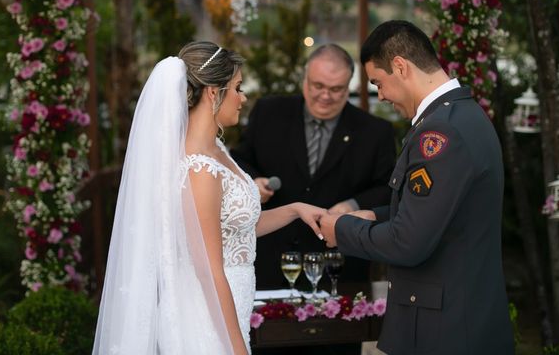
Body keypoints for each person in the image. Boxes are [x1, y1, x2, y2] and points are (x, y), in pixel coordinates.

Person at [93, 41, 326, 355]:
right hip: (207, 316)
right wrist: (237, 348)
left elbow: (236, 231)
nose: (243, 99)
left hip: (233, 304)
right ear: (214, 93)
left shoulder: (217, 151)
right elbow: (209, 269)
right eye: (238, 88)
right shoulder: (200, 169)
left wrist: (296, 209)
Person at [319, 20, 515, 355]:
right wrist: (373, 216)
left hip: (446, 330)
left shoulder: (440, 135)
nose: (380, 95)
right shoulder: (463, 115)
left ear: (400, 67)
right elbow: (441, 212)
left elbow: (408, 242)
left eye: (379, 83)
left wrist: (343, 229)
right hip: (458, 319)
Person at [231, 44, 395, 355]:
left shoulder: (376, 131)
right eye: (318, 85)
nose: (325, 96)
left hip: (340, 273)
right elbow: (239, 159)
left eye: (336, 89)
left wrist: (354, 205)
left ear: (348, 86)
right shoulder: (269, 112)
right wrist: (254, 182)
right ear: (305, 80)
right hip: (271, 267)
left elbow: (388, 188)